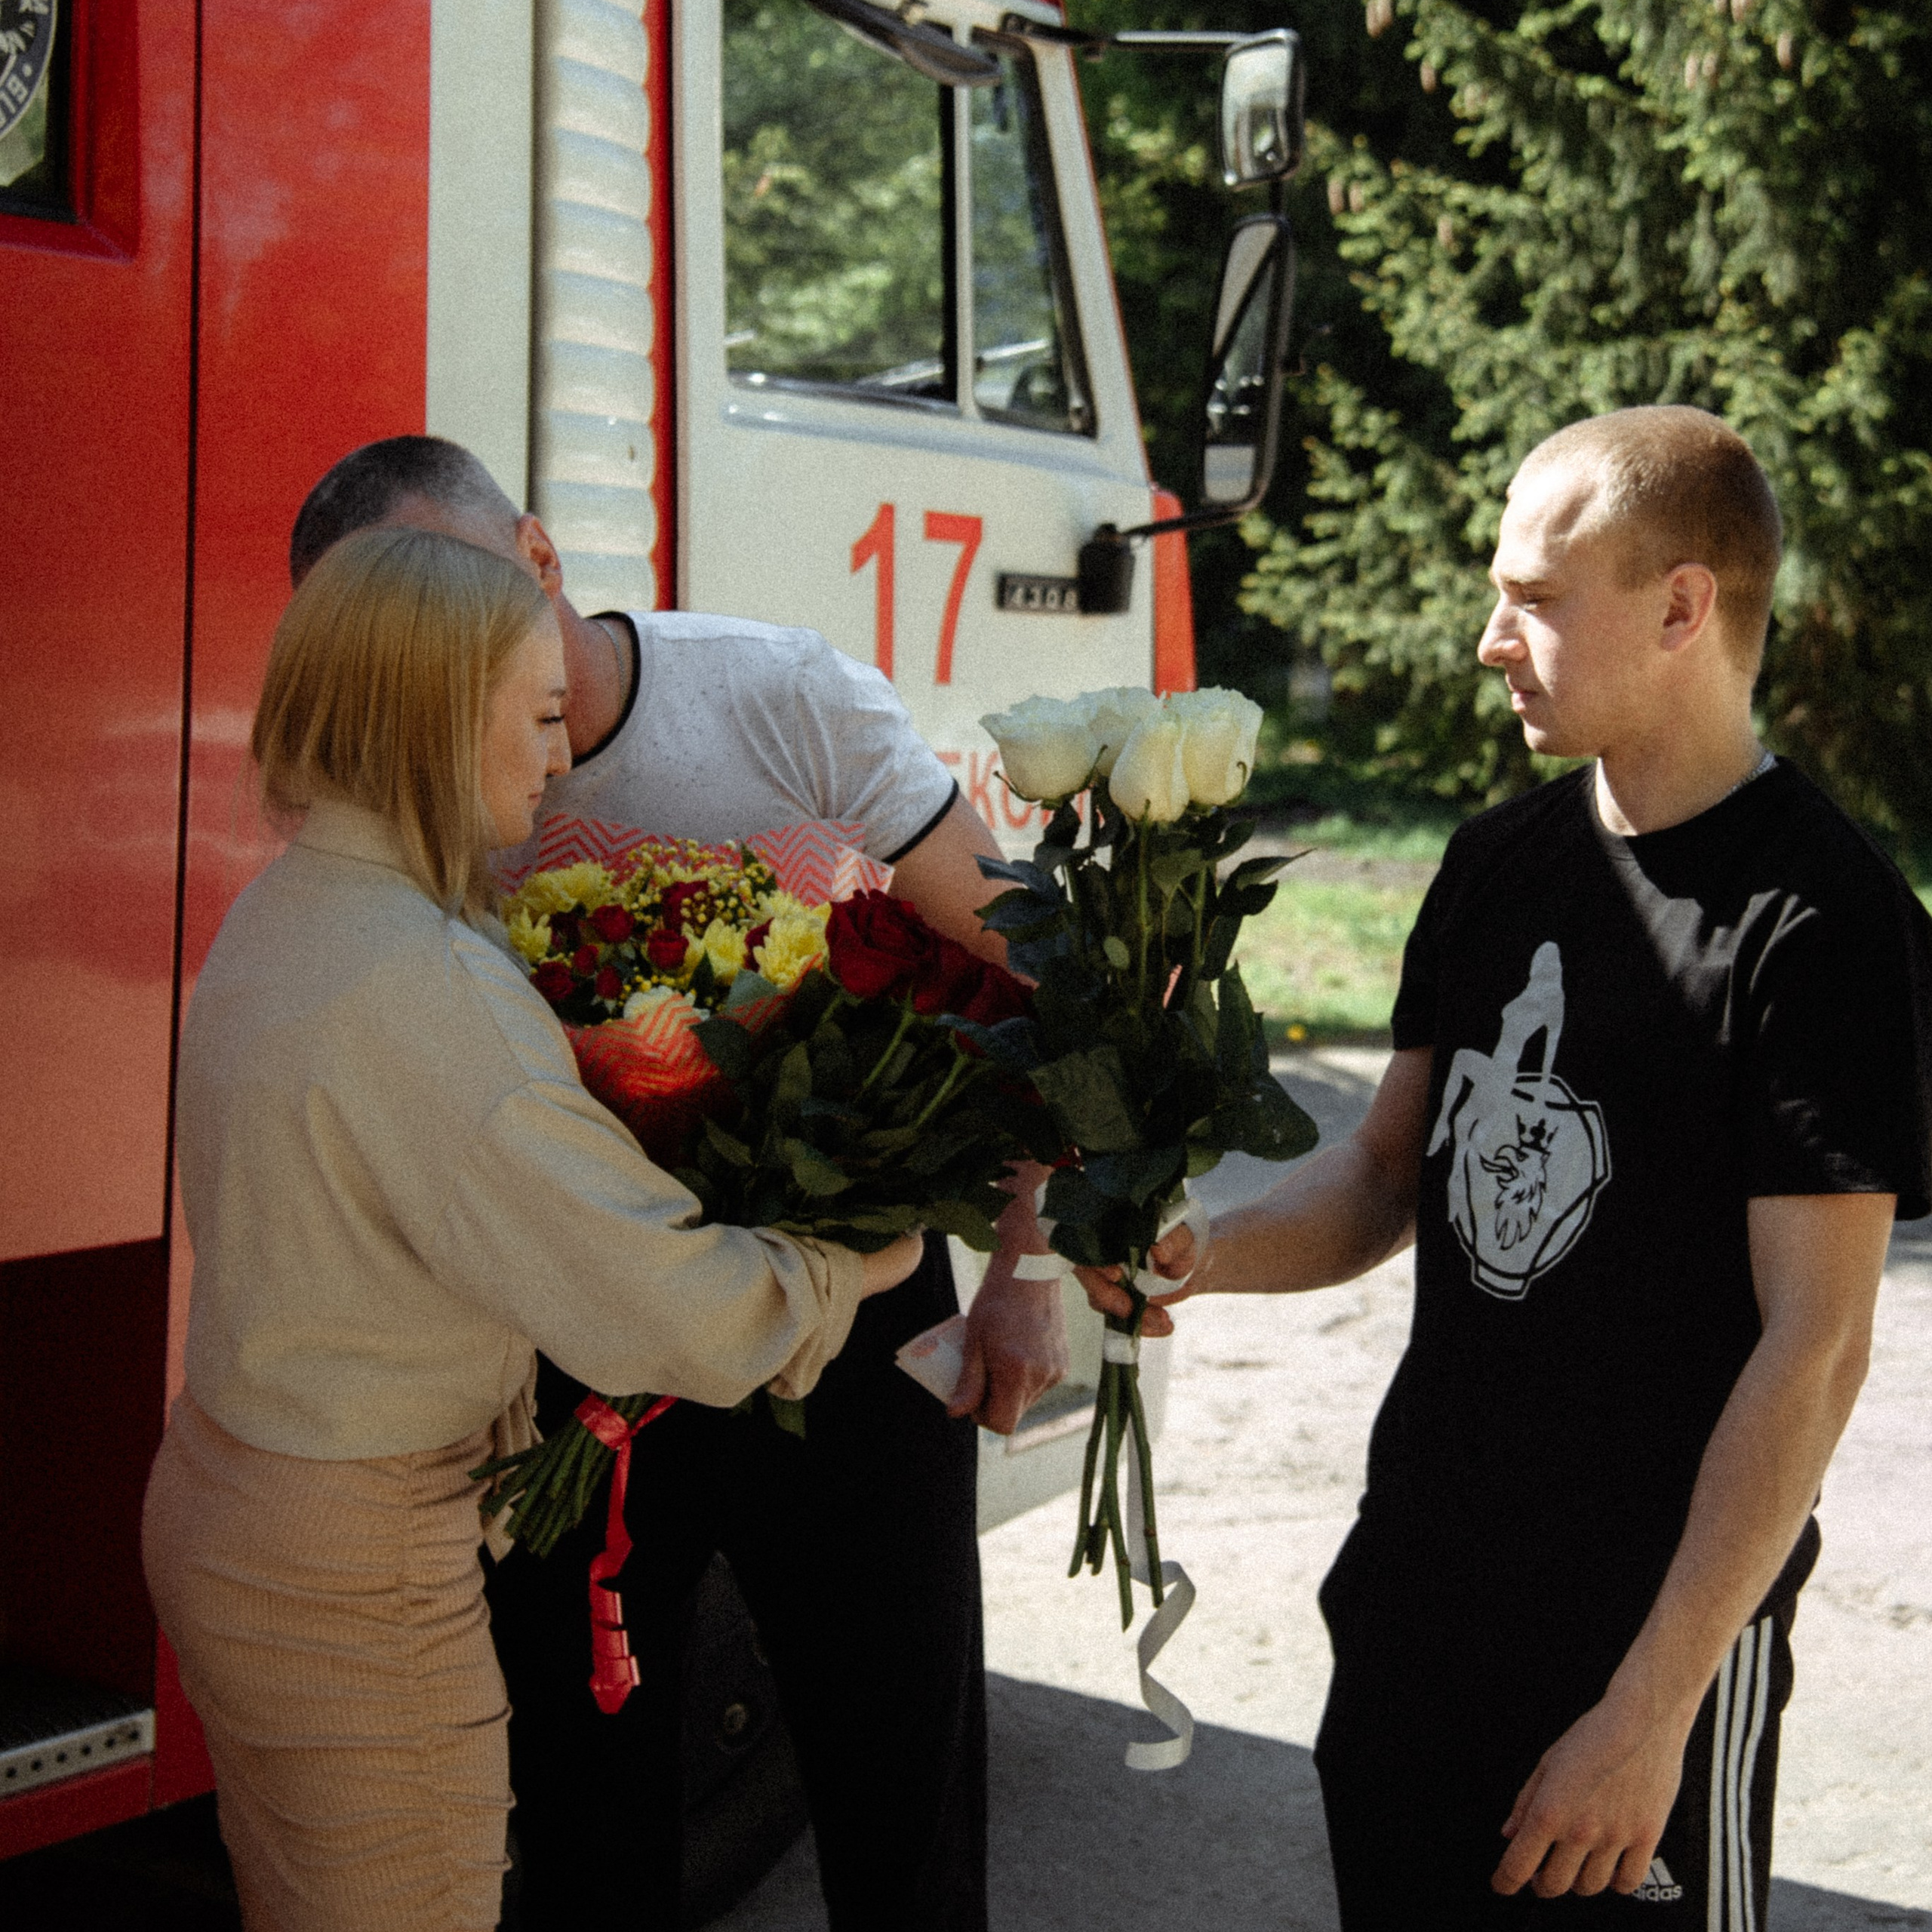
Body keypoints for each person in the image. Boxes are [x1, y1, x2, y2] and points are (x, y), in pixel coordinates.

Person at [1084, 407, 1932, 1924]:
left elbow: (1815, 1349)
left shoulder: (1820, 917)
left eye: (1532, 597)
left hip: (1638, 1639)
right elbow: (1379, 1180)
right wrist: (1189, 1251)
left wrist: (1650, 1709)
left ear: (1681, 604)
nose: (1488, 639)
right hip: (1413, 1597)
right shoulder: (1495, 860)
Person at [287, 436, 1069, 1928]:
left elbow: (1021, 961)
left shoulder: (779, 696)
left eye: (438, 592)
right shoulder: (407, 789)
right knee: (585, 1837)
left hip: (855, 1323)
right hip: (585, 1360)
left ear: (533, 559)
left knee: (902, 1816)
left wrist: (1029, 1254)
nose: (415, 654)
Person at [142, 527, 923, 1932]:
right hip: (355, 1574)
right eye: (542, 714)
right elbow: (667, 1307)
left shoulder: (292, 908)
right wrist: (858, 1260)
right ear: (439, 711)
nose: (562, 760)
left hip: (237, 1507)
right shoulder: (430, 980)